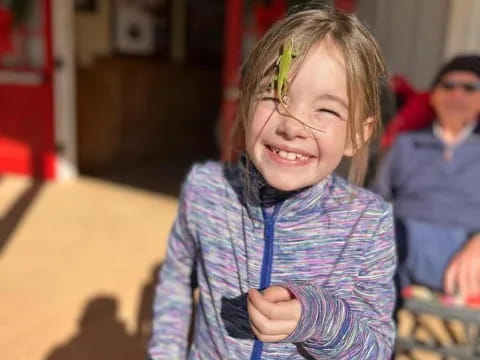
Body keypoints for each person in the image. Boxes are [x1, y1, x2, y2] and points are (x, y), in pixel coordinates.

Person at [149, 3, 396, 359]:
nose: (291, 126)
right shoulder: (205, 190)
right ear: (246, 105)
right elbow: (175, 281)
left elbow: (375, 350)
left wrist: (317, 318)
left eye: (326, 109)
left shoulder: (368, 223)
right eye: (273, 95)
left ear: (357, 134)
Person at [375, 55, 480, 301]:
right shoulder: (406, 145)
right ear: (433, 95)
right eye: (448, 86)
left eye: (469, 88)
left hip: (468, 257)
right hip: (402, 251)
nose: (457, 94)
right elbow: (375, 201)